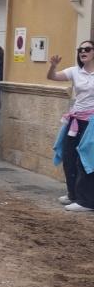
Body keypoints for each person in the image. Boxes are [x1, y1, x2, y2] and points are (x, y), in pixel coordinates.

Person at [49, 40, 94, 212]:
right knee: (68, 157)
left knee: (86, 160)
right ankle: (73, 194)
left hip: (91, 122)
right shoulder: (75, 71)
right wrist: (53, 66)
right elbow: (52, 77)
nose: (83, 52)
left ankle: (86, 201)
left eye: (87, 49)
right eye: (80, 49)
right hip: (75, 120)